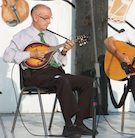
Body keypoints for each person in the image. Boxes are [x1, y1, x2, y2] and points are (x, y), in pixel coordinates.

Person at [3, 4, 97, 138]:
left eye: (50, 18)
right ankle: (69, 126)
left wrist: (64, 52)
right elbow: (6, 56)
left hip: (55, 74)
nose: (49, 21)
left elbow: (58, 62)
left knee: (87, 82)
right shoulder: (22, 36)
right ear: (35, 17)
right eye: (45, 18)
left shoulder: (52, 37)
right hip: (35, 76)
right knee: (63, 80)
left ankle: (79, 123)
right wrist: (30, 55)